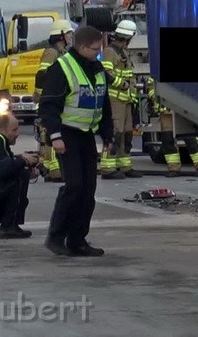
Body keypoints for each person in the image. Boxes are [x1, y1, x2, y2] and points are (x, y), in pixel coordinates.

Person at [38, 25, 112, 257]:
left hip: (86, 134)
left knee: (88, 189)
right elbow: (48, 106)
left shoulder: (96, 68)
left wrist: (107, 135)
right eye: (94, 49)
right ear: (81, 47)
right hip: (67, 134)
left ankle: (78, 240)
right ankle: (56, 236)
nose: (98, 53)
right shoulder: (61, 68)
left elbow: (104, 103)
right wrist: (55, 136)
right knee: (74, 186)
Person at [99, 19, 143, 179]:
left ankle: (124, 166)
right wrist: (122, 84)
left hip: (126, 100)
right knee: (115, 133)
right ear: (128, 36)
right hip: (115, 100)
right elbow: (106, 73)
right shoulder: (110, 51)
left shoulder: (122, 51)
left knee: (127, 134)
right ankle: (107, 168)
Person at [33, 22, 74, 182]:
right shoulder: (52, 52)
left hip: (56, 99)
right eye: (69, 34)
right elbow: (42, 75)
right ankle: (53, 169)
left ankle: (54, 168)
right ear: (61, 35)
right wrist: (46, 98)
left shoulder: (62, 52)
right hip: (48, 100)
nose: (71, 37)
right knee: (49, 134)